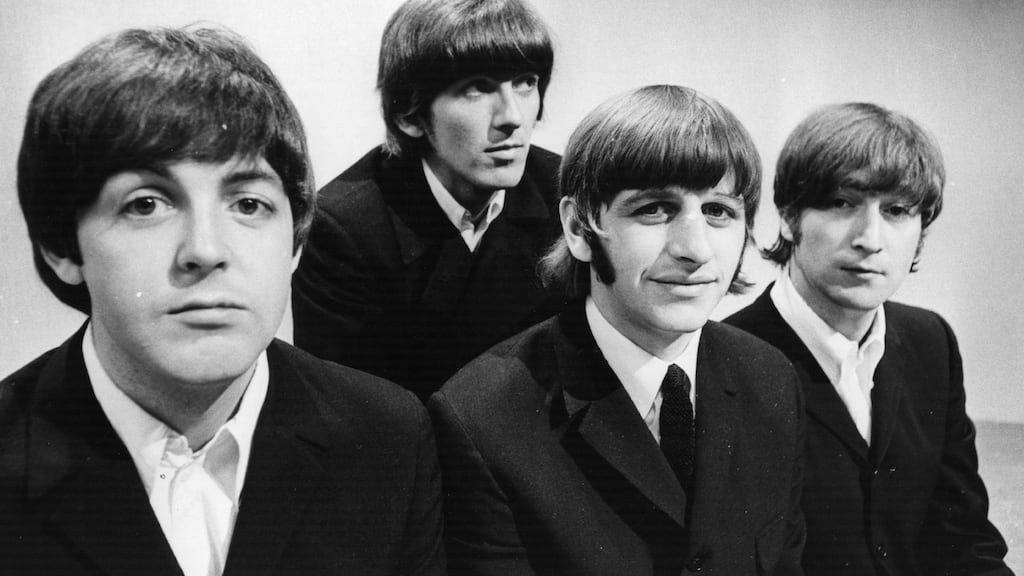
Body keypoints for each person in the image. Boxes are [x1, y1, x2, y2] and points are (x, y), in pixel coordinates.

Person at [1, 26, 443, 575]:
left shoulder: (389, 436)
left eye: (249, 204)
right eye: (146, 204)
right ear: (61, 245)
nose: (205, 251)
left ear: (295, 243)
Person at [429, 85, 806, 575]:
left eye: (719, 212)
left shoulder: (771, 378)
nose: (695, 249)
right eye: (654, 209)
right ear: (578, 229)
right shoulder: (482, 417)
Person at [726, 102, 1012, 575]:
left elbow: (964, 539)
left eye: (896, 211)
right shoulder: (724, 363)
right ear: (789, 217)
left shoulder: (931, 342)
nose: (870, 238)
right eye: (843, 203)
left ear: (921, 231)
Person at [292, 0, 563, 399]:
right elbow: (344, 410)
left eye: (525, 82)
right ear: (409, 115)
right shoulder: (343, 228)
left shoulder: (565, 193)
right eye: (476, 88)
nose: (513, 117)